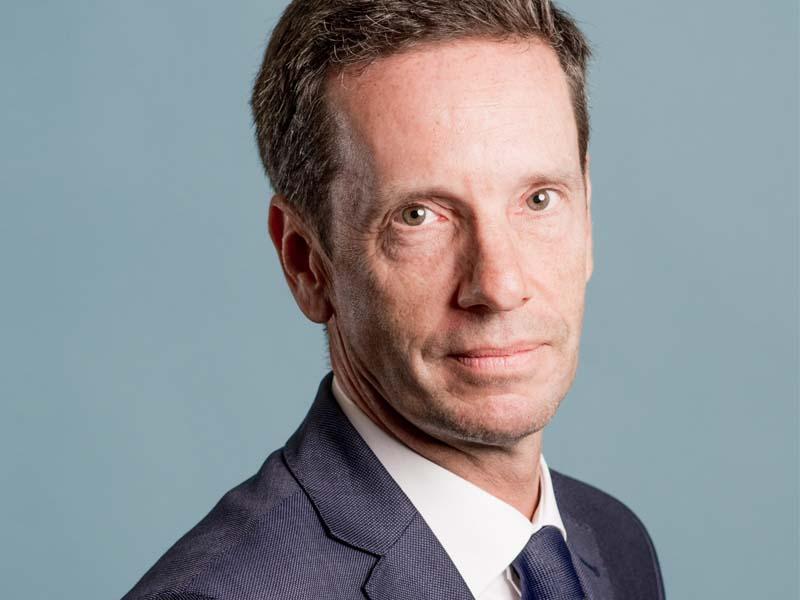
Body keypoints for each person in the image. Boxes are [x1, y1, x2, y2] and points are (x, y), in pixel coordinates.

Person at [123, 0, 665, 598]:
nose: (500, 286)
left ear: (587, 212)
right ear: (306, 263)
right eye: (418, 216)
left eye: (538, 199)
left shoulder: (615, 543)